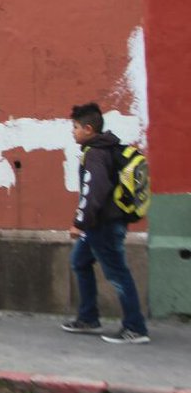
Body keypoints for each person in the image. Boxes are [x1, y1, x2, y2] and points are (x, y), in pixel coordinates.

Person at [61, 102, 150, 344]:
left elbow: (94, 191)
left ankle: (135, 328)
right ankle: (88, 317)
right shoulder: (106, 148)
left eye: (75, 127)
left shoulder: (95, 154)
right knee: (79, 261)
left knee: (117, 274)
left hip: (104, 225)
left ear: (88, 129)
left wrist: (79, 223)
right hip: (102, 224)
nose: (73, 132)